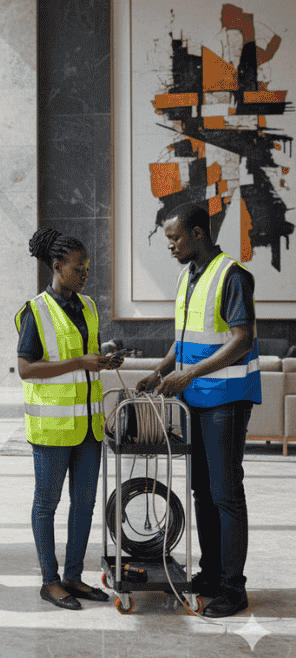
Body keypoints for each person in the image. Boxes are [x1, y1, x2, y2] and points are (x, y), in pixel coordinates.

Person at [136, 203, 260, 619]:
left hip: (226, 399)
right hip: (197, 400)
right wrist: (160, 371)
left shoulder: (233, 275)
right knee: (203, 493)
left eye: (174, 238)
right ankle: (210, 575)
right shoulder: (188, 276)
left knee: (225, 493)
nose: (169, 246)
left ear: (197, 234)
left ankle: (232, 588)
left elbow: (242, 339)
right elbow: (185, 337)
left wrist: (188, 375)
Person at [17, 228, 122, 610]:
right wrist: (80, 362)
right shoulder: (36, 311)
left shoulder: (89, 306)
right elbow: (26, 369)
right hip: (52, 428)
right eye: (79, 268)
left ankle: (74, 577)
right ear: (57, 267)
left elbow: (86, 356)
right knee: (47, 504)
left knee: (85, 504)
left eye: (87, 268)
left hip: (90, 426)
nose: (85, 274)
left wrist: (105, 357)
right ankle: (50, 581)